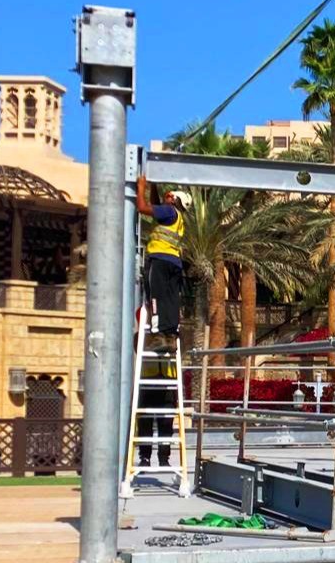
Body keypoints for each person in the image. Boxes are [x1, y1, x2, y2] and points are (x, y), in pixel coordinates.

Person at [136, 177, 190, 337]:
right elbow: (156, 205)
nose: (165, 197)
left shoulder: (168, 211)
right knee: (171, 297)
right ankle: (171, 332)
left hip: (160, 259)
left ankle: (157, 331)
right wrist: (154, 186)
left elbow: (142, 207)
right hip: (174, 262)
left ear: (174, 200)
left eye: (168, 195)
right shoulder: (176, 217)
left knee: (156, 294)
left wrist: (140, 187)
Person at [137, 346, 177, 470]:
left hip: (168, 384)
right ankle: (145, 457)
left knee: (166, 426)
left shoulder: (171, 336)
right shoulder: (142, 337)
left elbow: (176, 347)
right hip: (146, 383)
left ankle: (164, 458)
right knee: (144, 425)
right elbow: (136, 346)